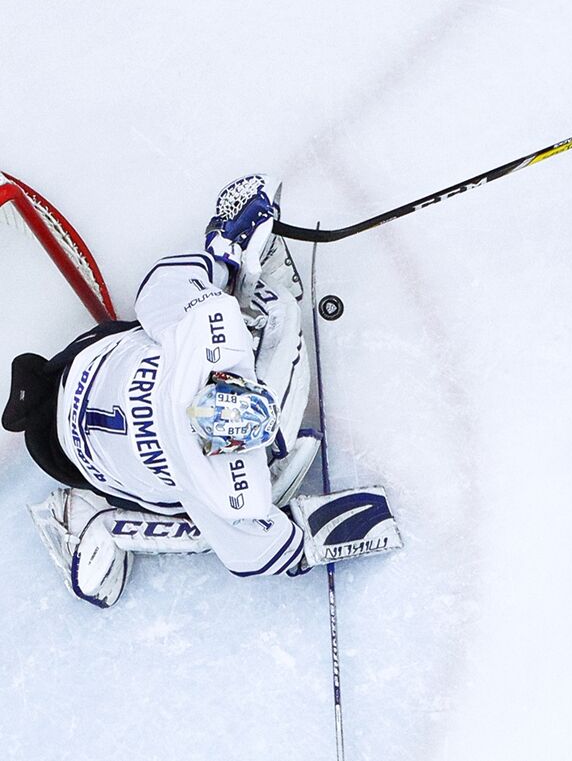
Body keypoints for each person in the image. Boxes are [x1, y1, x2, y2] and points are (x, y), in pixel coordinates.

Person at [3, 175, 399, 608]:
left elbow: (161, 284)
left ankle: (99, 519)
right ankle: (99, 523)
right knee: (201, 530)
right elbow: (258, 556)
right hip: (70, 441)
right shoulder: (219, 482)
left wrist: (226, 256)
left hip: (64, 378)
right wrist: (308, 538)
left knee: (249, 321)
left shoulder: (204, 346)